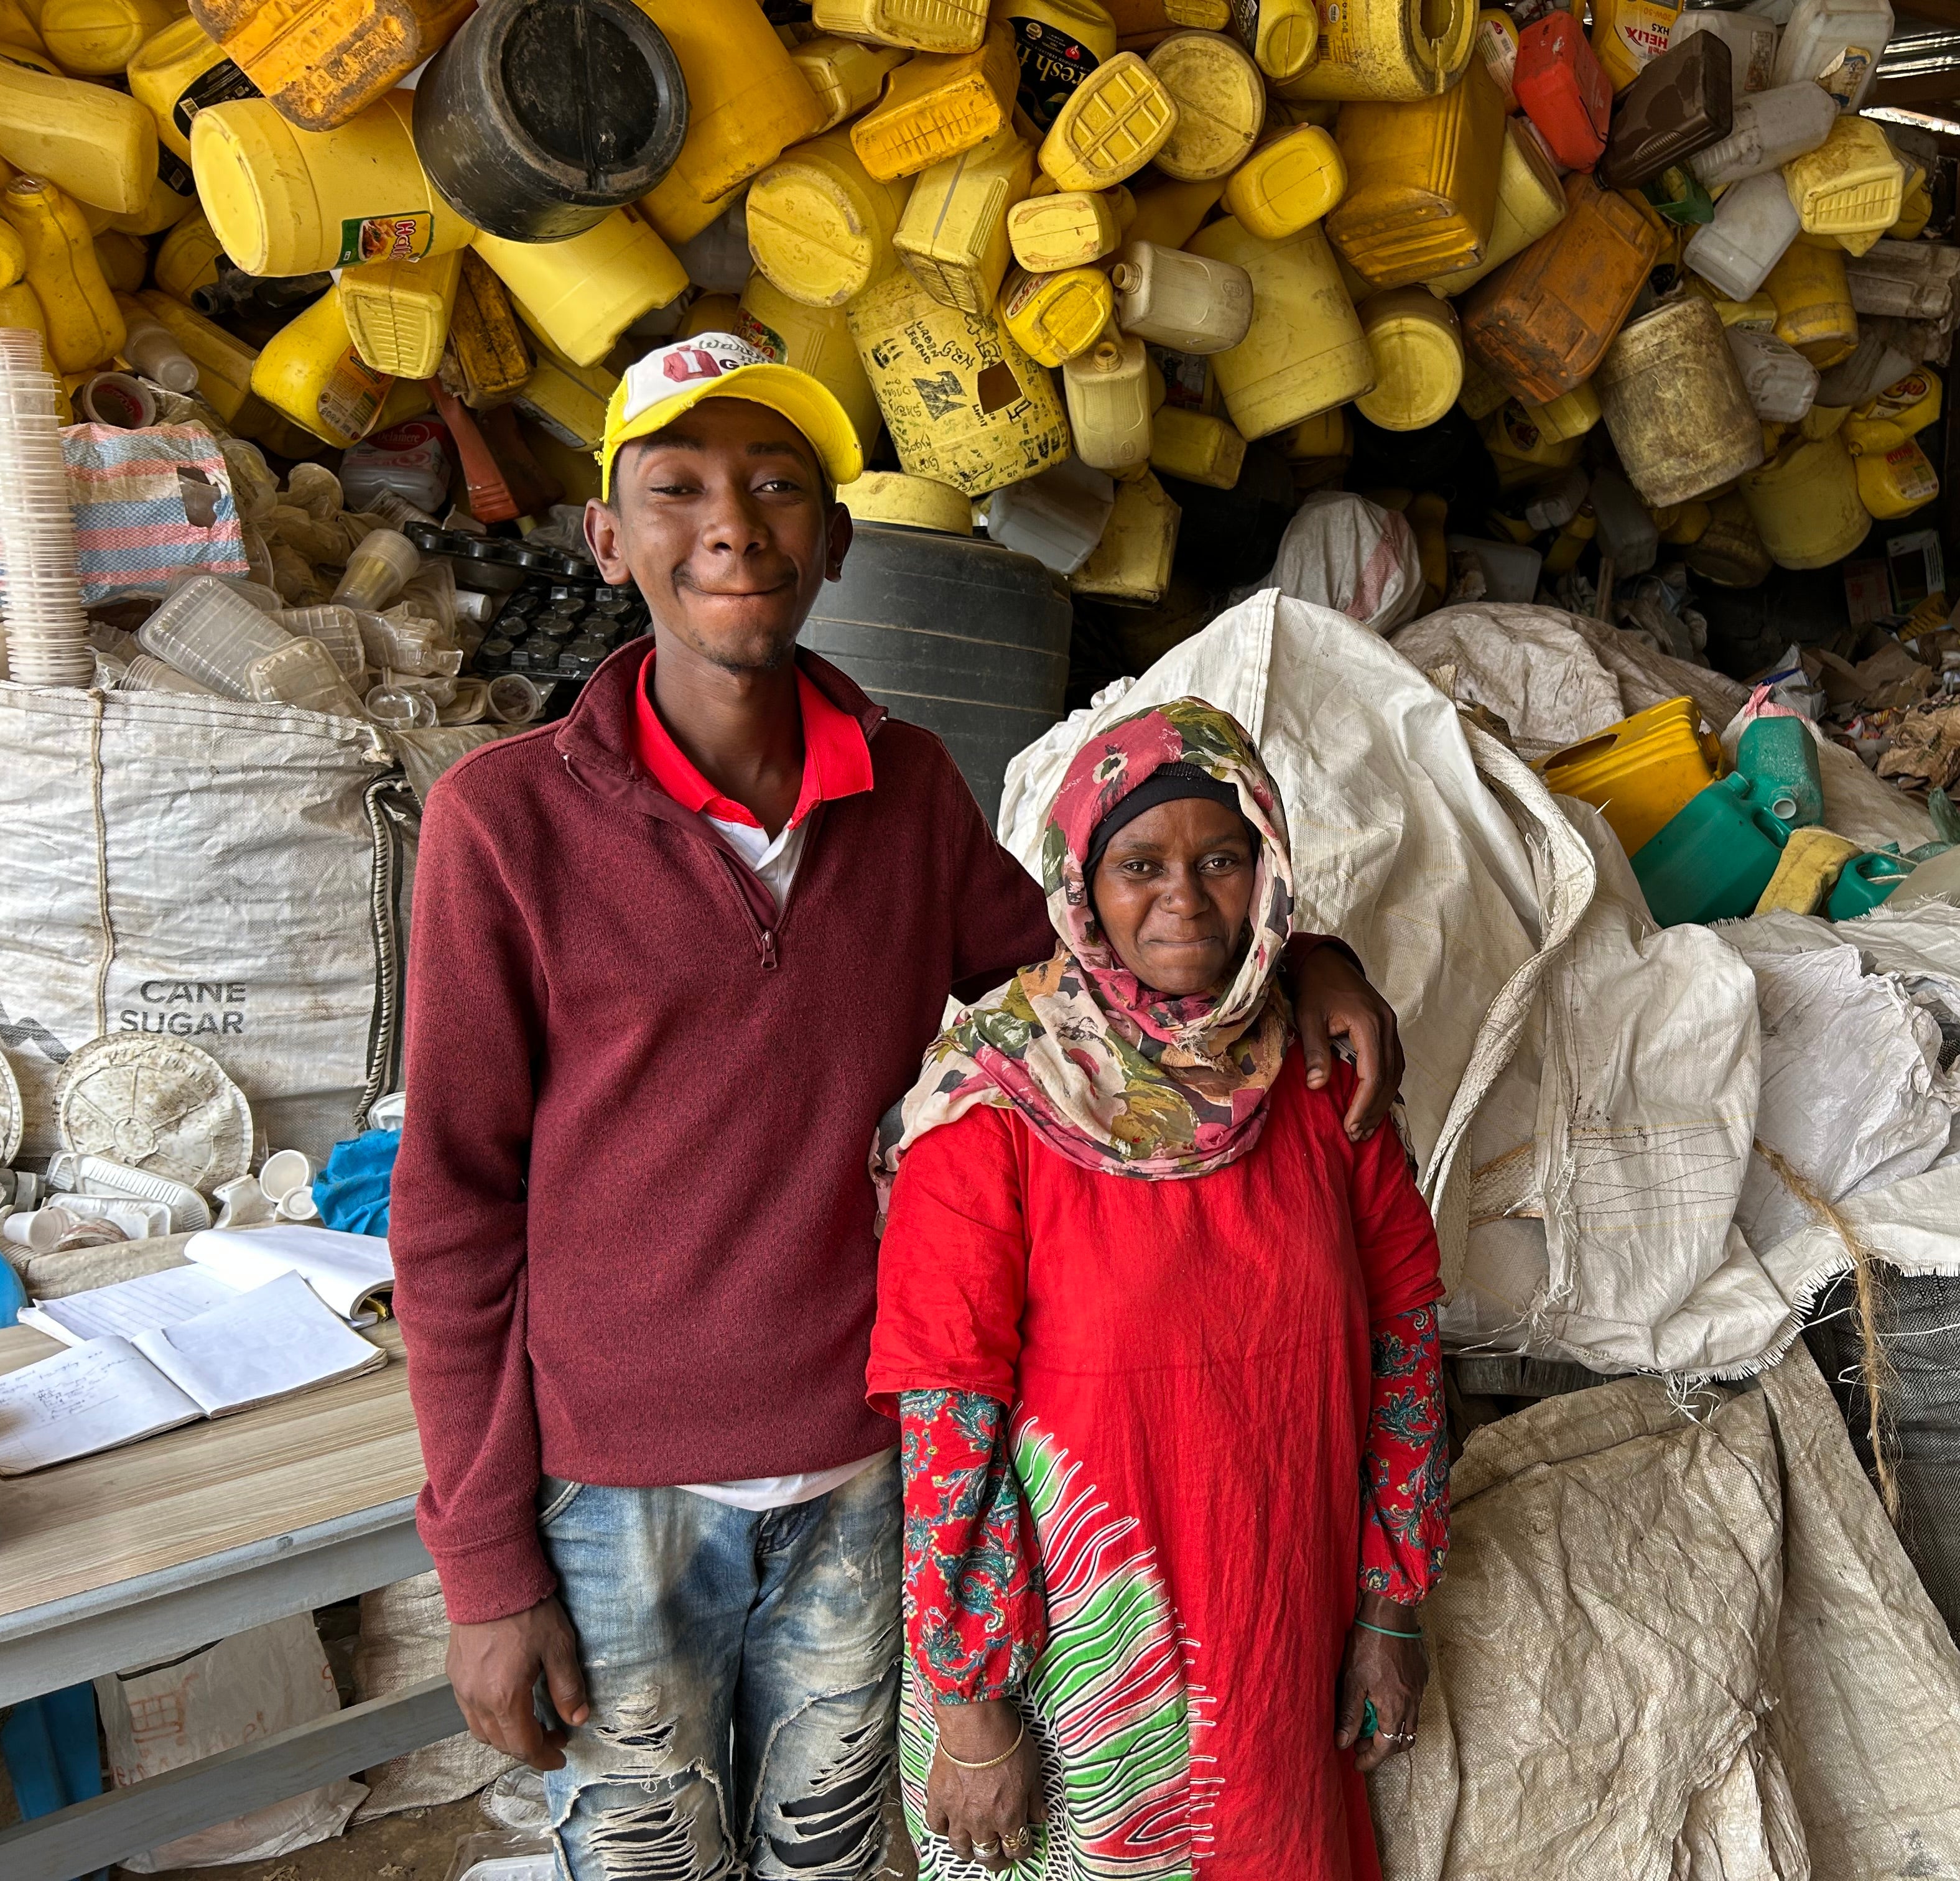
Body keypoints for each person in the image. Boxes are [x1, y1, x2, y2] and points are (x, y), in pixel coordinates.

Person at [389, 335, 1409, 1881]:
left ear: (836, 540)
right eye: (676, 487)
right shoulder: (502, 825)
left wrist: (1306, 948)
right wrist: (481, 1562)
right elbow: (454, 1211)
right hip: (617, 1495)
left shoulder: (909, 789)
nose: (732, 523)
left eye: (778, 484)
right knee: (650, 1862)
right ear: (606, 539)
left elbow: (1101, 958)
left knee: (837, 1862)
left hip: (864, 1476)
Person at [868, 699, 1450, 1878]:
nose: (1183, 899)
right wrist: (974, 1706)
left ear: (1271, 875)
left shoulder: (1321, 1080)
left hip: (1281, 1632)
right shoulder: (994, 1103)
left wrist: (1391, 1603)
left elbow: (1405, 1351)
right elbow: (948, 1419)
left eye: (1221, 860)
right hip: (1077, 1675)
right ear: (1082, 883)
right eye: (1140, 865)